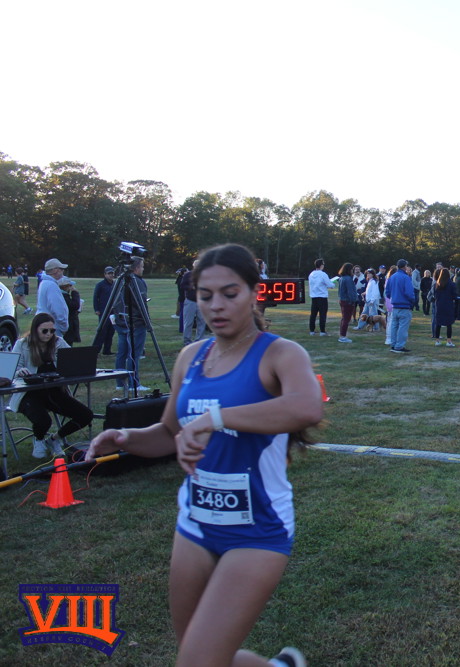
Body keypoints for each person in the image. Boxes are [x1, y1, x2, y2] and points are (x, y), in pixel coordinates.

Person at [86, 243, 320, 667]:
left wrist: (215, 417)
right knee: (202, 656)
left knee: (197, 661)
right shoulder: (190, 358)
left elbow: (307, 407)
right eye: (205, 295)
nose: (216, 306)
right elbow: (168, 433)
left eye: (230, 294)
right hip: (195, 523)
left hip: (257, 529)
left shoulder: (280, 353)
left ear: (255, 292)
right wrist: (125, 437)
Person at [10, 313, 93, 458]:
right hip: (28, 394)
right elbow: (12, 369)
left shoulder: (59, 342)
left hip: (54, 392)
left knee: (85, 415)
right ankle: (39, 440)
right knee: (43, 420)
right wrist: (20, 372)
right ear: (35, 329)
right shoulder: (22, 344)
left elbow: (72, 359)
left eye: (52, 331)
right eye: (44, 331)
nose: (49, 334)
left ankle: (54, 439)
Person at [112, 256, 150, 392]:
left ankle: (120, 383)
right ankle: (134, 384)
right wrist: (146, 321)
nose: (143, 269)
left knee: (121, 353)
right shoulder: (136, 281)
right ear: (136, 268)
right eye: (142, 266)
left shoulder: (120, 280)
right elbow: (140, 303)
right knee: (133, 354)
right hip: (135, 322)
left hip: (121, 321)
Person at [385, 259, 416, 353]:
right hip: (404, 306)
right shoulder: (406, 277)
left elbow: (387, 292)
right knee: (403, 327)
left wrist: (393, 297)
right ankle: (399, 346)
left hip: (394, 306)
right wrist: (412, 300)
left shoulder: (392, 277)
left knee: (394, 326)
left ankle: (393, 344)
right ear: (405, 266)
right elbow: (409, 293)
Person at [37, 258, 70, 338]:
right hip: (52, 327)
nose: (63, 271)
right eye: (61, 269)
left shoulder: (44, 283)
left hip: (43, 324)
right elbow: (57, 309)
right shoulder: (51, 285)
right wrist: (64, 327)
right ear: (55, 270)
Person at [180, 260, 207, 346]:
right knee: (188, 322)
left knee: (202, 321)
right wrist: (191, 287)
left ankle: (199, 340)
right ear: (194, 266)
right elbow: (182, 285)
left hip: (202, 301)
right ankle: (187, 341)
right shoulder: (188, 275)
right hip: (190, 301)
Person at [431, 267, 458, 347]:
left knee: (438, 323)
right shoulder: (452, 284)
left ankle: (437, 341)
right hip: (448, 305)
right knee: (449, 324)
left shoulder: (436, 284)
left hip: (439, 305)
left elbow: (434, 295)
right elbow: (455, 296)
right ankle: (449, 341)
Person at [93, 266, 116, 354]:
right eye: (109, 273)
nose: (111, 275)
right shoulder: (100, 285)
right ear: (105, 274)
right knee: (102, 331)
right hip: (103, 311)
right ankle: (95, 351)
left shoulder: (115, 284)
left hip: (113, 311)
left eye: (112, 273)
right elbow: (96, 297)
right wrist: (96, 309)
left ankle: (107, 350)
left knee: (111, 331)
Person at [307, 259, 334, 336]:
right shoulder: (323, 274)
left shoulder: (311, 274)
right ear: (321, 265)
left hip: (314, 296)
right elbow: (329, 284)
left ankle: (312, 331)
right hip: (322, 297)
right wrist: (332, 284)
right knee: (322, 315)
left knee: (313, 314)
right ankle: (322, 331)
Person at [336, 263, 357, 343]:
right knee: (346, 319)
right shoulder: (348, 279)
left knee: (344, 318)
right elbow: (350, 291)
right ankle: (343, 336)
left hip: (342, 300)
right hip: (348, 301)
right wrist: (353, 300)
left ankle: (342, 335)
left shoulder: (342, 278)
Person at [58, 276, 82, 345]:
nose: (72, 288)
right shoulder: (64, 296)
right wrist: (75, 293)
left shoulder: (61, 295)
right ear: (65, 287)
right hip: (68, 324)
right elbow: (75, 305)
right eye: (70, 286)